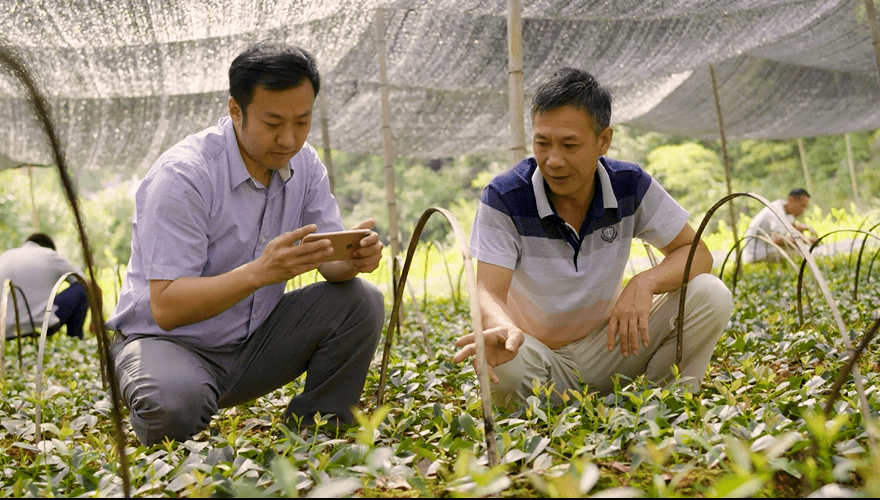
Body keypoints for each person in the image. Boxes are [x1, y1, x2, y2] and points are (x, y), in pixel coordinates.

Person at [105, 41, 386, 446]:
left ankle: (318, 431)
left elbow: (331, 264)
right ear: (236, 111)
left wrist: (355, 259)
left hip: (252, 344)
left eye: (302, 122)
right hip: (168, 343)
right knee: (173, 403)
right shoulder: (184, 176)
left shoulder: (305, 165)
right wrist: (259, 272)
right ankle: (165, 389)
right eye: (273, 123)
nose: (289, 139)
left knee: (361, 300)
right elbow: (166, 307)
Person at [452, 68, 733, 407]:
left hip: (612, 347)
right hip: (539, 358)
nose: (553, 160)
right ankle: (549, 408)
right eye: (542, 143)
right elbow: (488, 290)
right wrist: (502, 327)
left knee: (710, 294)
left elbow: (696, 253)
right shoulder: (505, 197)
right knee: (507, 363)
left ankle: (663, 405)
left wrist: (645, 283)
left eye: (570, 145)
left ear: (604, 140)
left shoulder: (629, 185)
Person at [0, 233, 92, 339]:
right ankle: (75, 339)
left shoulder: (5, 256)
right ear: (49, 247)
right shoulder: (50, 254)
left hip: (5, 331)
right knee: (82, 288)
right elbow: (88, 285)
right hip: (39, 326)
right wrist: (96, 320)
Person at [741, 188, 818, 263]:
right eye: (802, 205)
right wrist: (806, 240)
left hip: (768, 248)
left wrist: (805, 228)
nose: (803, 210)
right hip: (757, 253)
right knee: (802, 254)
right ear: (791, 199)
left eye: (805, 206)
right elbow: (777, 240)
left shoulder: (788, 213)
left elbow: (792, 229)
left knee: (804, 251)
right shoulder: (777, 211)